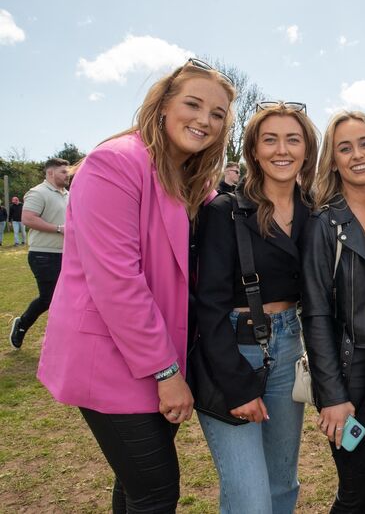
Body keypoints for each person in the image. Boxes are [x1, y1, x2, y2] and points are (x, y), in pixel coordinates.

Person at [36, 58, 236, 512]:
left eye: (218, 113)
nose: (204, 119)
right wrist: (166, 374)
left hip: (156, 353)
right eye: (193, 104)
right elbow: (117, 282)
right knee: (157, 491)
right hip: (113, 357)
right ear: (163, 105)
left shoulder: (190, 180)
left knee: (135, 488)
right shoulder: (115, 162)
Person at [195, 101, 317, 513]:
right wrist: (235, 384)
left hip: (288, 349)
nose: (281, 150)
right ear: (253, 150)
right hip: (234, 347)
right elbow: (207, 306)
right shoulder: (224, 211)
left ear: (306, 149)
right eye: (270, 140)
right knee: (250, 499)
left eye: (292, 139)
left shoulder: (314, 213)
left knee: (282, 485)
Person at [302, 111, 365, 513]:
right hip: (350, 373)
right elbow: (315, 315)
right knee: (356, 490)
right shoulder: (324, 224)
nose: (357, 154)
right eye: (345, 148)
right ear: (333, 159)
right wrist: (332, 395)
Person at [9, 158, 70, 350]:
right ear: (50, 172)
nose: (67, 175)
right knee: (49, 298)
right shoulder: (38, 192)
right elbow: (27, 219)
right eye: (63, 172)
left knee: (67, 297)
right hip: (43, 254)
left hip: (66, 254)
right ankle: (22, 325)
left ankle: (65, 340)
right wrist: (60, 229)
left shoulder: (67, 194)